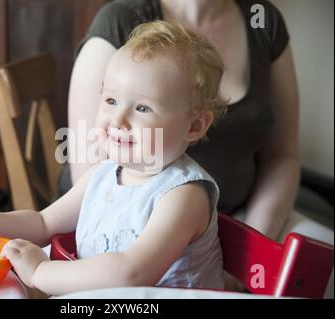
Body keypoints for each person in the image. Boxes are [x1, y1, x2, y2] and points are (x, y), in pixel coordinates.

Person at [0, 21, 227, 295]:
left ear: (195, 125)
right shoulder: (105, 173)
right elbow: (42, 222)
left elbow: (133, 272)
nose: (117, 120)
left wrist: (41, 272)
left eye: (143, 108)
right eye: (111, 100)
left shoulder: (184, 194)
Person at [66, 0, 334, 250]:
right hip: (131, 226)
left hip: (245, 221)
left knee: (321, 263)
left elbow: (281, 155)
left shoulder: (261, 19)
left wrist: (252, 249)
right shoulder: (121, 20)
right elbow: (96, 178)